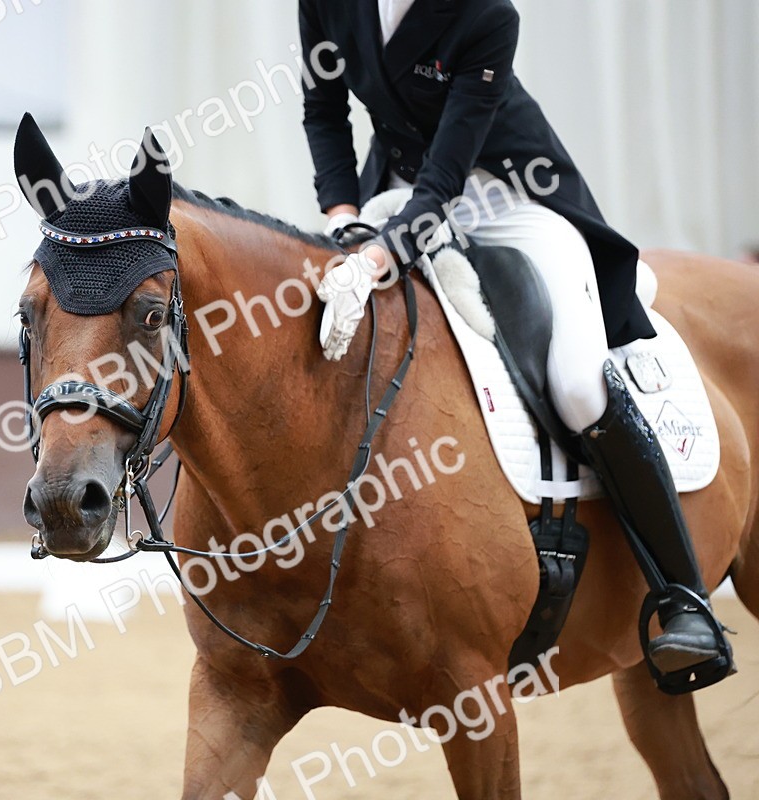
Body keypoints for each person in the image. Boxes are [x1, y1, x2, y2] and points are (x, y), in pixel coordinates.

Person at [301, 0, 729, 676]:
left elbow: (448, 173)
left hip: (510, 197)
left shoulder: (486, 14)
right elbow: (323, 111)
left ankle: (684, 597)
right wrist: (345, 219)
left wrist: (377, 258)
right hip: (390, 195)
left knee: (579, 384)